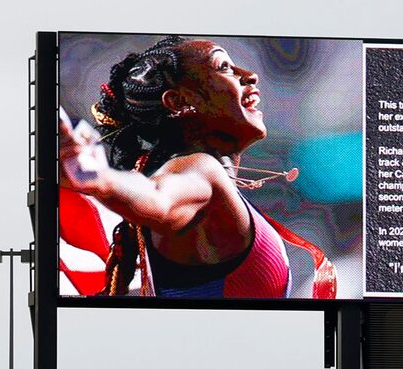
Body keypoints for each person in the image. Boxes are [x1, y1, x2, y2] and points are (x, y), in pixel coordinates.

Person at [58, 37, 333, 300]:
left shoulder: (211, 180)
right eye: (224, 67)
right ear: (179, 102)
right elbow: (159, 198)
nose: (250, 75)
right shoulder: (201, 170)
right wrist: (98, 177)